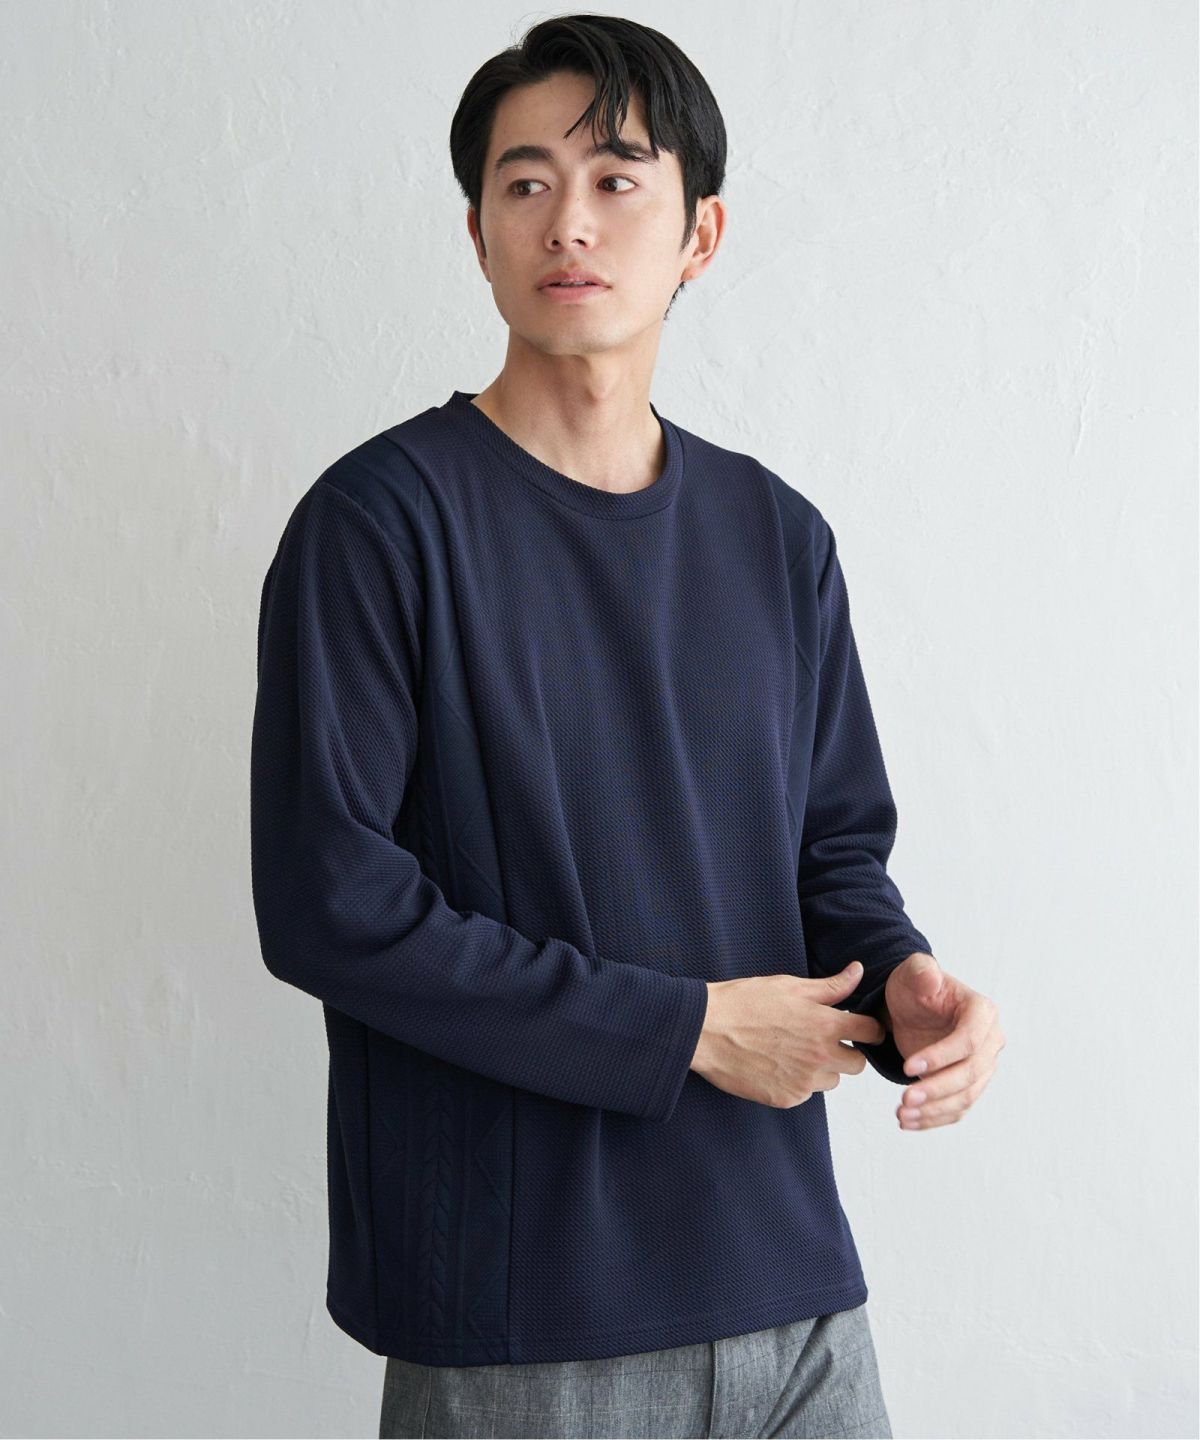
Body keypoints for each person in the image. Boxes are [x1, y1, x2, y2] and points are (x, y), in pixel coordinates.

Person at [249, 14, 1005, 1439]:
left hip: (797, 1294)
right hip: (526, 1318)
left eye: (616, 179)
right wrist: (687, 1031)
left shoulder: (778, 536)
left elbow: (832, 852)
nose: (569, 222)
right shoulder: (380, 525)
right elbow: (327, 905)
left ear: (699, 233)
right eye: (525, 183)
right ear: (478, 234)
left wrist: (903, 982)